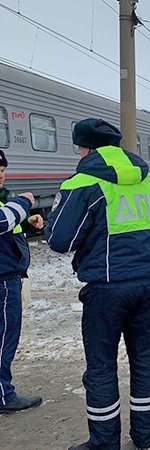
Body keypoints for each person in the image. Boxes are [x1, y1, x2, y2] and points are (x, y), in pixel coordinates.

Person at [45, 119, 150, 450]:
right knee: (145, 361)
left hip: (105, 290)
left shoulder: (84, 183)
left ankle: (103, 444)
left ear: (84, 148)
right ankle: (144, 438)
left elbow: (61, 239)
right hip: (149, 286)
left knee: (101, 368)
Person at [0, 149, 44, 415]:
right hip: (3, 281)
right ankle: (4, 396)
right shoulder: (8, 204)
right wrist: (24, 202)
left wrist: (25, 223)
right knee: (4, 337)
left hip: (7, 276)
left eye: (3, 170)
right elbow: (3, 221)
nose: (1, 176)